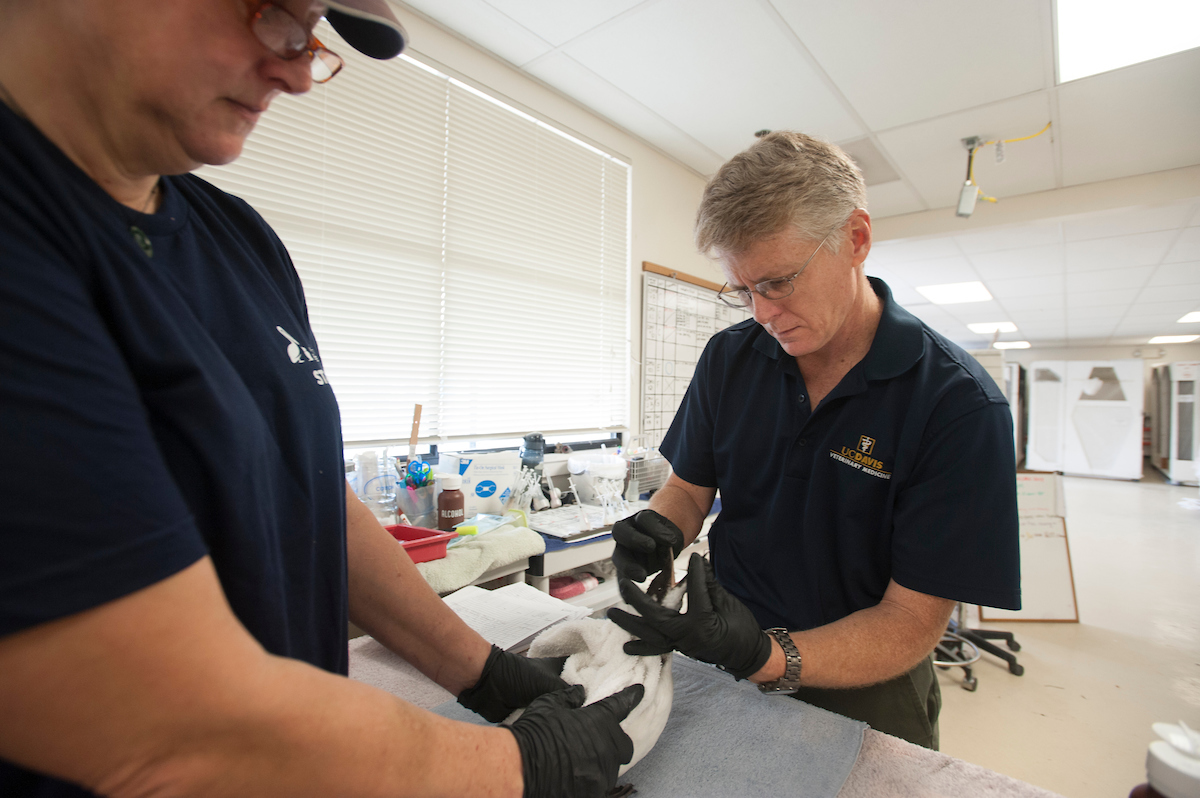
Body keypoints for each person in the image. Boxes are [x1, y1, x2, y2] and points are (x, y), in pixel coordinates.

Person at [0, 2, 641, 796]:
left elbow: (314, 504)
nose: (300, 73)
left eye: (311, 36)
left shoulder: (238, 239)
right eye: (274, 15)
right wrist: (521, 767)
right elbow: (165, 730)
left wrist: (485, 674)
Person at [608, 131, 1020, 749]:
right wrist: (660, 528)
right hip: (722, 645)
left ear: (856, 239)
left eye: (778, 283)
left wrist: (766, 656)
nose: (761, 313)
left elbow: (910, 621)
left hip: (867, 682)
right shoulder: (730, 358)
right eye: (743, 290)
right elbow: (690, 490)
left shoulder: (957, 405)